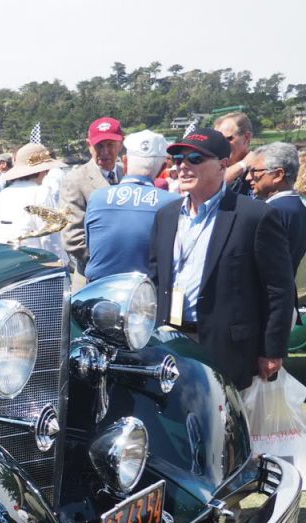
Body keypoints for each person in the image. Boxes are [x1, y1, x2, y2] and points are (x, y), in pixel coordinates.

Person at [147, 128, 293, 392]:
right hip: (171, 342)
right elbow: (156, 279)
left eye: (195, 158)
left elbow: (278, 290)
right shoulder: (166, 216)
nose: (183, 166)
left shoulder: (254, 216)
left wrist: (272, 350)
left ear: (223, 165)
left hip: (228, 349)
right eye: (178, 159)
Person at [84, 130, 179, 282]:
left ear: (126, 162)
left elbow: (91, 247)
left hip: (99, 294)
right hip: (146, 296)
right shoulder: (174, 203)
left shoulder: (97, 198)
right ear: (162, 168)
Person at [61, 117, 124, 274]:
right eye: (99, 146)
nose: (104, 152)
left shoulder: (128, 174)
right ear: (89, 146)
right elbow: (73, 238)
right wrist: (113, 262)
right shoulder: (75, 180)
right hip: (93, 276)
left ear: (121, 144)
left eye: (110, 145)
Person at [0, 142, 66, 258]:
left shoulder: (3, 194)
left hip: (5, 262)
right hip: (35, 265)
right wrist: (60, 263)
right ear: (42, 170)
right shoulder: (41, 193)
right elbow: (50, 239)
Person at [245, 143, 306, 278]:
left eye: (254, 171)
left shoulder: (269, 211)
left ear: (278, 175)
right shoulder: (298, 206)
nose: (248, 177)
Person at [213, 111, 254, 197]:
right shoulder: (213, 164)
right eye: (218, 139)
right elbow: (210, 184)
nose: (221, 144)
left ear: (246, 137)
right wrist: (243, 164)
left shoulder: (260, 167)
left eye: (228, 139)